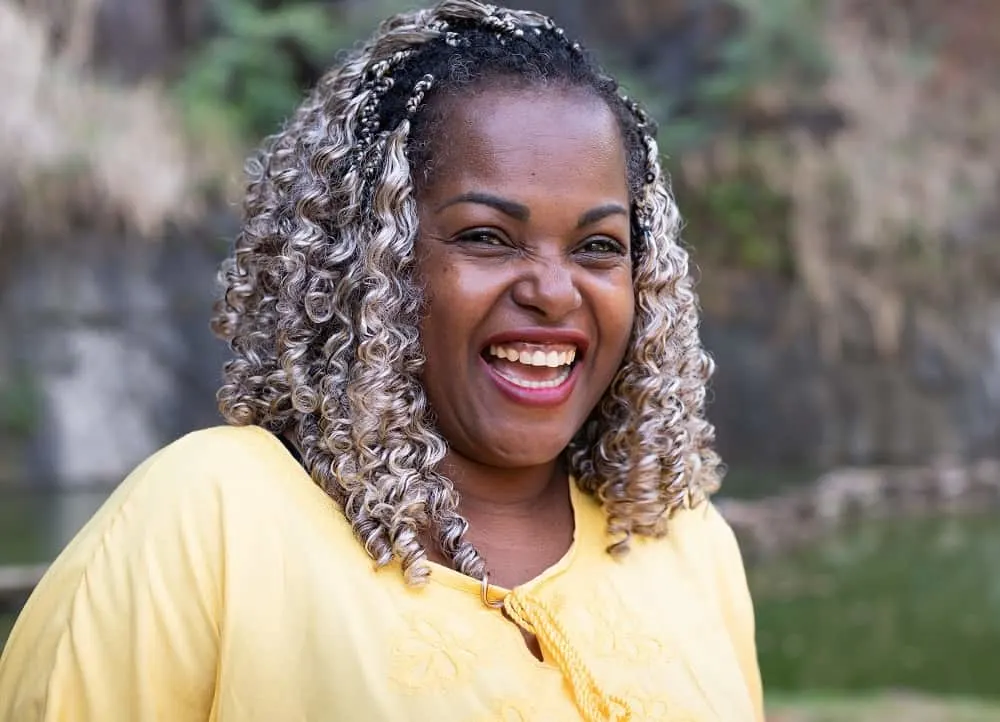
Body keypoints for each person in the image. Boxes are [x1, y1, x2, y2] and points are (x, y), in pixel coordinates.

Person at [0, 1, 764, 720]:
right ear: (368, 259)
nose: (554, 291)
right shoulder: (210, 519)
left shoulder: (686, 542)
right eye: (486, 237)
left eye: (599, 247)